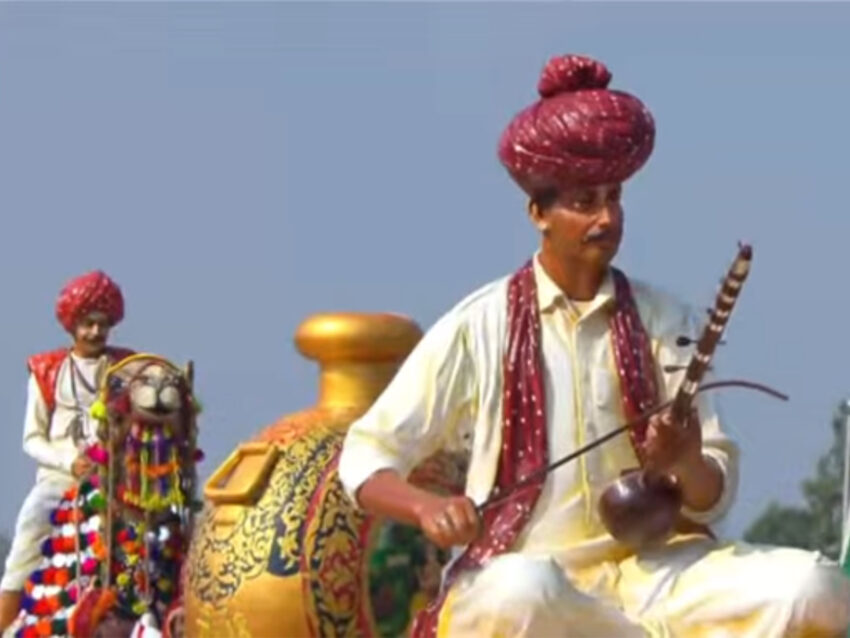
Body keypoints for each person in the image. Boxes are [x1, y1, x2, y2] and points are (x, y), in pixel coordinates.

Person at [338, 54, 850, 637]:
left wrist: (684, 461)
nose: (607, 218)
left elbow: (711, 497)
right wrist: (427, 507)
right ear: (539, 213)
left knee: (811, 587)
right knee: (515, 593)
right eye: (585, 202)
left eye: (614, 197)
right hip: (541, 579)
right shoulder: (479, 326)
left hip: (661, 577)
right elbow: (366, 455)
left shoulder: (665, 321)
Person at [0, 270, 135, 631]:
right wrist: (70, 462)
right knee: (30, 524)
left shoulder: (127, 369)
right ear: (73, 325)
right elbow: (32, 439)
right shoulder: (47, 370)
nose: (95, 332)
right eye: (88, 324)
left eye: (102, 324)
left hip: (115, 478)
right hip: (59, 479)